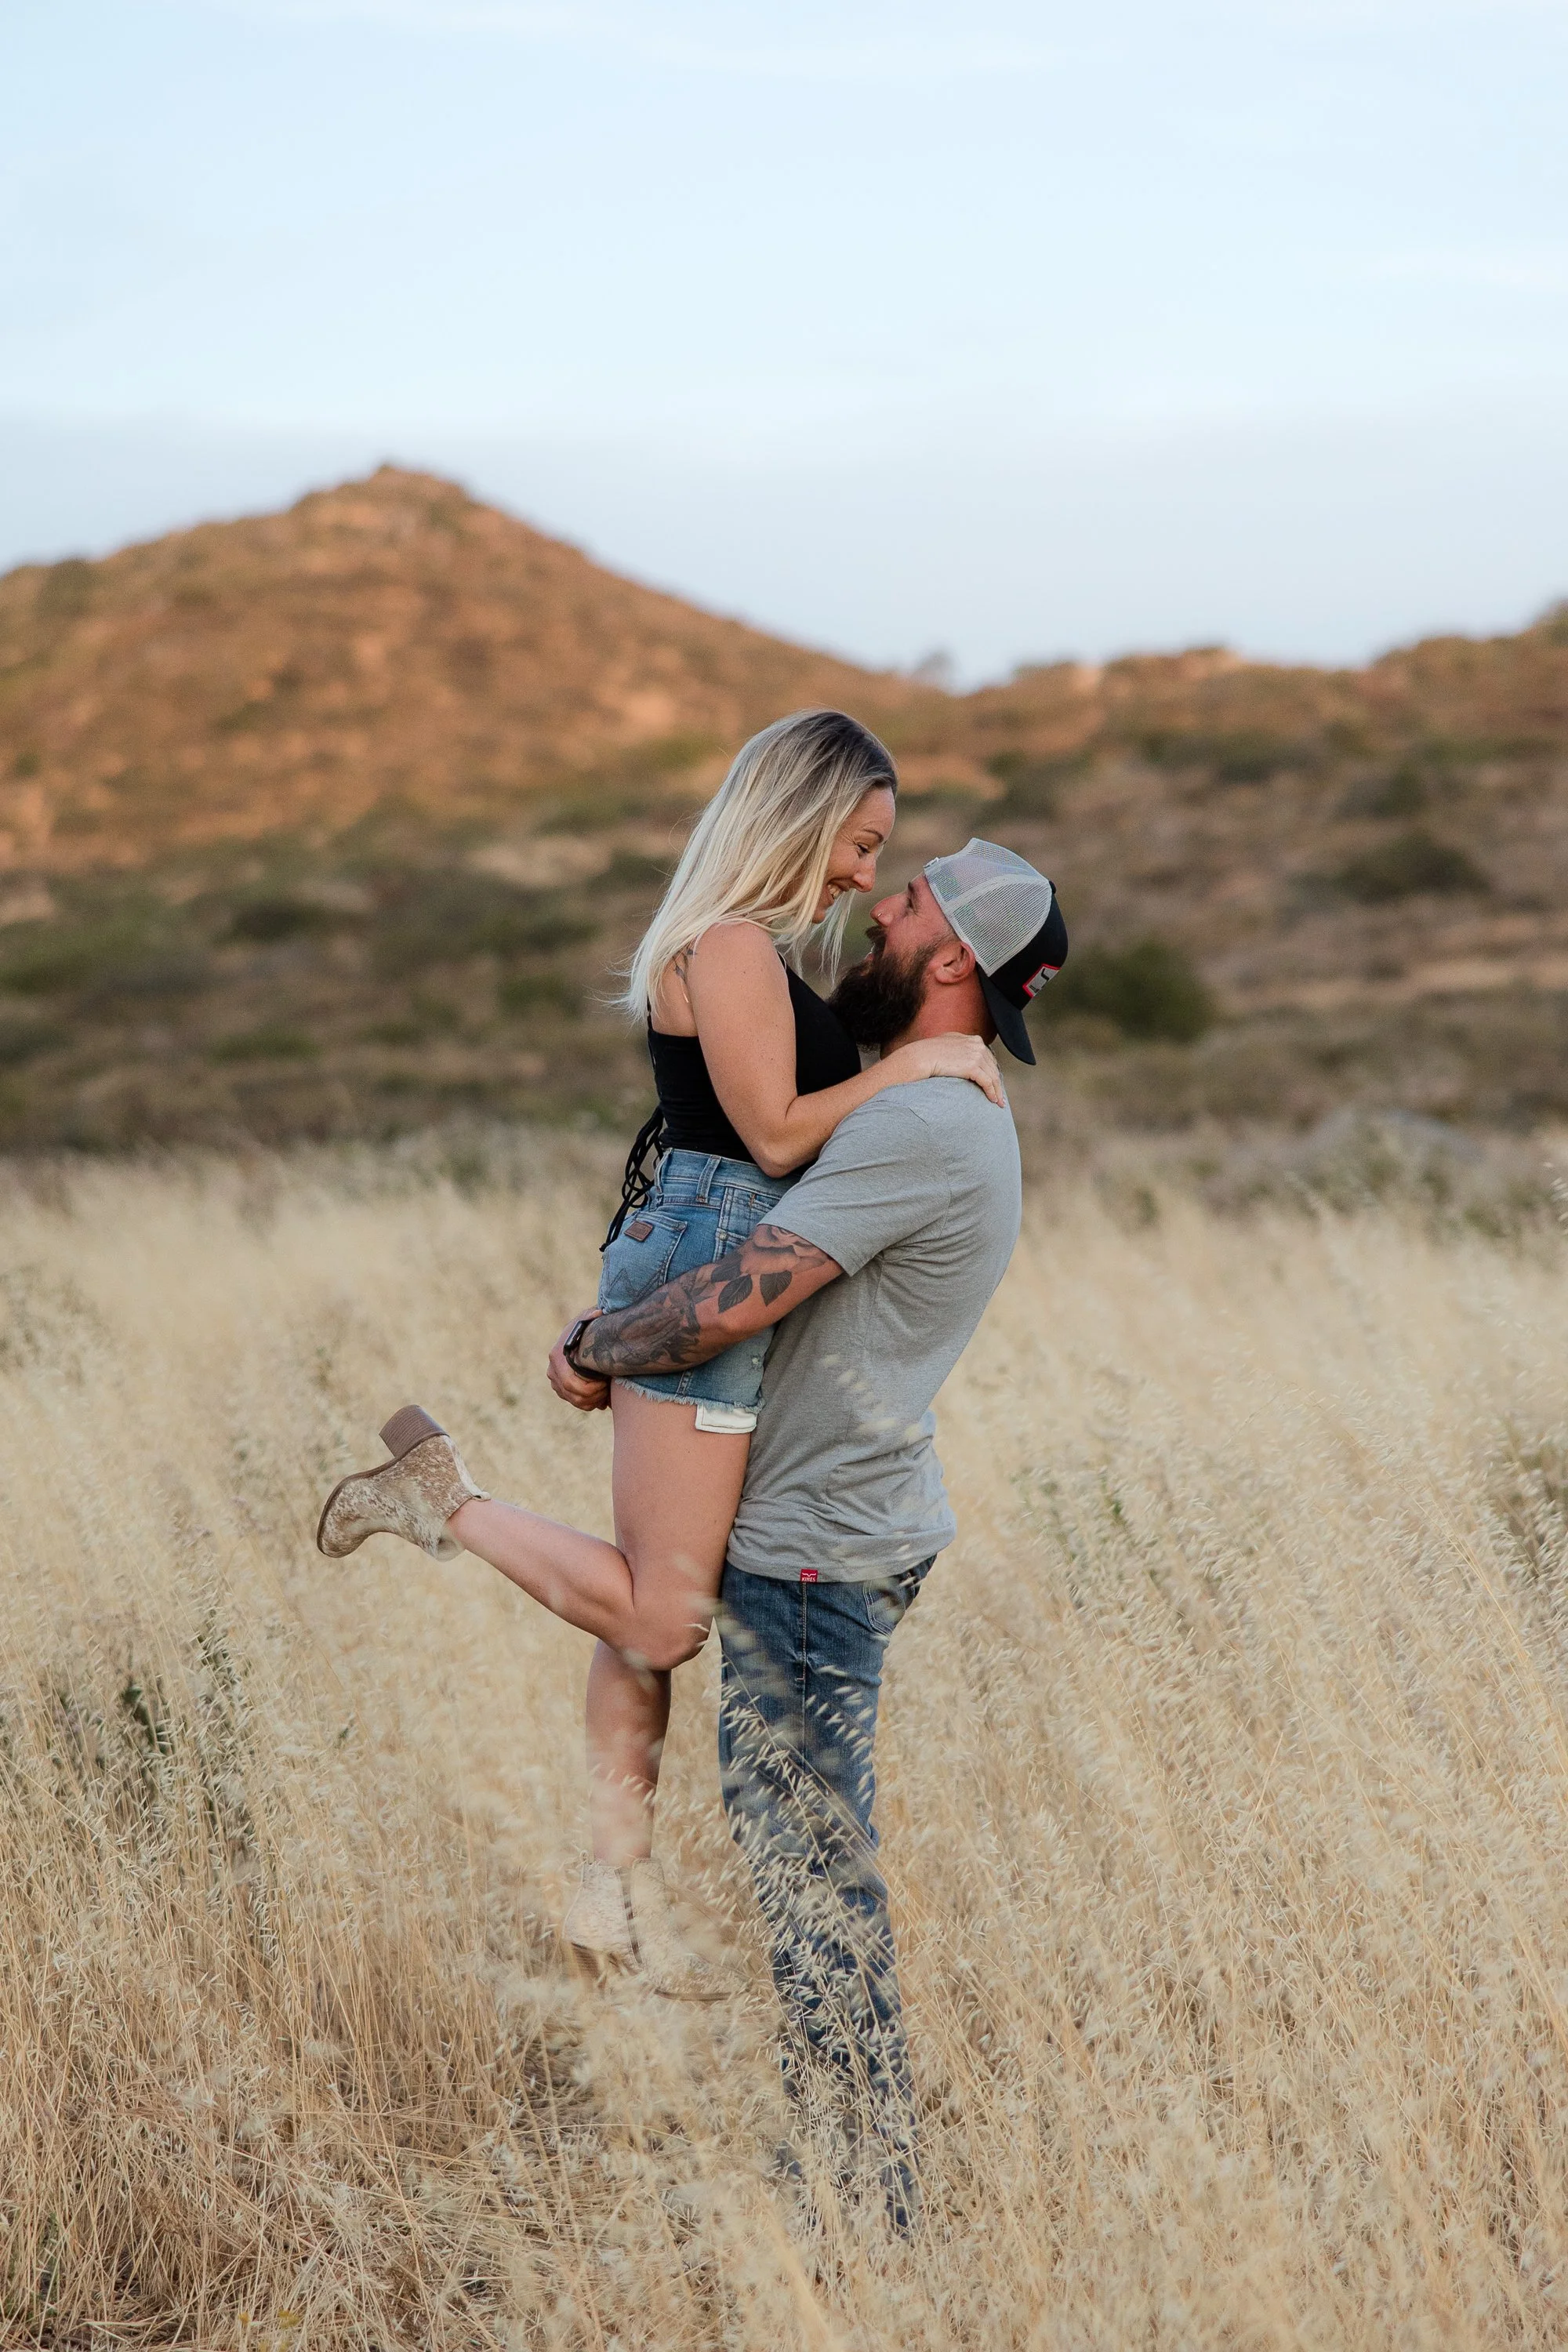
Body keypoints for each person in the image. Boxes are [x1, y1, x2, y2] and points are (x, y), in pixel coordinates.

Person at [315, 710, 1004, 1995]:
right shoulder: (728, 945)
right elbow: (779, 1136)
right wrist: (929, 1062)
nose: (865, 877)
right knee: (663, 1616)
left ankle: (611, 1905)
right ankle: (440, 1498)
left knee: (645, 1608)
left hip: (702, 1246)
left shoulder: (755, 951)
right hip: (704, 1259)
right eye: (859, 845)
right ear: (799, 818)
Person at [546, 837, 1067, 2227]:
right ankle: (851, 2176)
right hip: (837, 1528)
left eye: (908, 901)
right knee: (808, 1867)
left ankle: (863, 2202)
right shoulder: (927, 1105)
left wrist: (596, 1345)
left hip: (814, 1551)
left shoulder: (926, 1126)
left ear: (950, 958)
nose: (876, 912)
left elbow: (736, 1296)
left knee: (811, 1879)